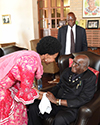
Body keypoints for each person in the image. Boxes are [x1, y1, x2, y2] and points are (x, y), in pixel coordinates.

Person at [0, 36, 62, 125]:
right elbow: (26, 91)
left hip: (9, 87)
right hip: (3, 91)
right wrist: (46, 97)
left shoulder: (31, 55)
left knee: (21, 108)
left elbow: (28, 84)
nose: (54, 61)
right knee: (16, 116)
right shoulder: (30, 63)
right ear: (47, 55)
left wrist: (41, 93)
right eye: (54, 57)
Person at [28, 54, 96, 125]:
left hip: (71, 108)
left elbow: (83, 99)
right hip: (56, 102)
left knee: (60, 119)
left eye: (77, 64)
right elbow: (58, 86)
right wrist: (45, 95)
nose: (73, 65)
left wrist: (57, 101)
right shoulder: (67, 71)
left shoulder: (90, 78)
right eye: (73, 62)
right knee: (34, 108)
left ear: (85, 68)